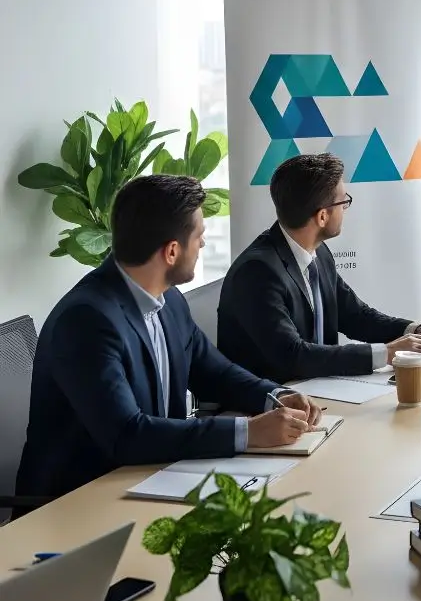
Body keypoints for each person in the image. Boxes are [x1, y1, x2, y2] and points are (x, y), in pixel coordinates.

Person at [16, 175, 320, 504]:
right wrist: (248, 433)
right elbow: (126, 435)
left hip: (155, 479)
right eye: (199, 236)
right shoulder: (86, 320)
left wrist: (274, 395)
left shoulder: (168, 300)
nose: (203, 245)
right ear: (172, 251)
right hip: (79, 503)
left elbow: (214, 372)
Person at [218, 153, 421, 383]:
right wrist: (386, 353)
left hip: (318, 390)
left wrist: (416, 331)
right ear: (322, 216)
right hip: (274, 405)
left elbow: (354, 316)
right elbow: (292, 356)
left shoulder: (318, 252)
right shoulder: (258, 272)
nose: (346, 209)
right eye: (343, 202)